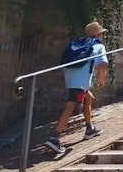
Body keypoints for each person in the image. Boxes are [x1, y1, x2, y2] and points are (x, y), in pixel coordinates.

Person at [45, 21, 109, 155]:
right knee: (71, 105)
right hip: (80, 83)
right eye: (102, 33)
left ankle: (89, 128)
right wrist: (102, 78)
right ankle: (54, 137)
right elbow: (102, 63)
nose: (102, 36)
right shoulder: (98, 45)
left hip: (70, 78)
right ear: (98, 34)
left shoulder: (79, 43)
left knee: (88, 97)